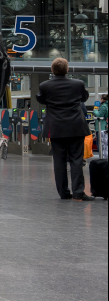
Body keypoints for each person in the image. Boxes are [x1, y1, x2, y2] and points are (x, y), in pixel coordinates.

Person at [37, 58, 93, 201]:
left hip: (56, 128)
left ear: (52, 70)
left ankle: (64, 193)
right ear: (67, 70)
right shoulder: (78, 84)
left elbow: (41, 100)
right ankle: (78, 192)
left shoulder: (45, 86)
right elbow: (84, 98)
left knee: (59, 161)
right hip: (76, 127)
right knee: (76, 160)